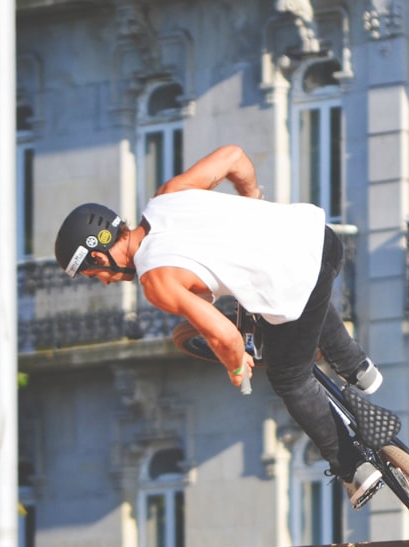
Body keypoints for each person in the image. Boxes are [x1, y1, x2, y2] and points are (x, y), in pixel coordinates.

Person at [54, 145, 383, 507]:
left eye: (95, 274)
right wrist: (252, 198)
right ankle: (358, 367)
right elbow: (234, 157)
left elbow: (225, 335)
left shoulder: (155, 280)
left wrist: (235, 366)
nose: (104, 281)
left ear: (99, 255)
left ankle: (355, 468)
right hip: (321, 238)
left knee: (290, 378)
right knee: (300, 298)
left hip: (299, 278)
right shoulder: (167, 196)